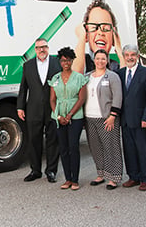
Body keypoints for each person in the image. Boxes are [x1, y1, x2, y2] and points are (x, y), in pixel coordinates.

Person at [17, 38, 61, 183]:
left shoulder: (57, 63)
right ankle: (35, 171)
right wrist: (20, 107)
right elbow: (24, 88)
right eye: (38, 48)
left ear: (48, 48)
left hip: (52, 109)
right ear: (34, 50)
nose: (42, 50)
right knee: (34, 140)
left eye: (44, 47)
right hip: (33, 109)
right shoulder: (28, 65)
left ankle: (51, 171)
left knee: (52, 141)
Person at [49, 47, 88, 190]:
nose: (66, 62)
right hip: (59, 118)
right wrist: (58, 116)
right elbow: (52, 100)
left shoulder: (79, 78)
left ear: (72, 61)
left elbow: (81, 98)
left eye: (68, 60)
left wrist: (70, 114)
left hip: (75, 117)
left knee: (73, 146)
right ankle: (68, 179)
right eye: (63, 60)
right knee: (63, 148)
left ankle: (75, 180)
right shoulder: (55, 78)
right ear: (60, 61)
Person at [117, 44, 146, 191]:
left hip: (141, 119)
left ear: (137, 56)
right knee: (129, 149)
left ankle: (145, 178)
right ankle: (133, 176)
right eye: (127, 55)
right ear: (124, 57)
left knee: (143, 149)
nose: (130, 57)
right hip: (125, 120)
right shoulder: (120, 73)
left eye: (133, 55)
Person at [84, 49, 123, 190]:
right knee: (96, 148)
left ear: (107, 61)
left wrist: (113, 116)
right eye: (97, 58)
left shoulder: (112, 77)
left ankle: (114, 177)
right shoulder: (87, 76)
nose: (100, 61)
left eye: (103, 59)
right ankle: (100, 174)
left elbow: (118, 97)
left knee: (111, 147)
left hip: (106, 118)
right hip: (90, 118)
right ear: (94, 60)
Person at [72, 0, 124, 74]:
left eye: (106, 28)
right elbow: (75, 79)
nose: (100, 32)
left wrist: (119, 51)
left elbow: (127, 82)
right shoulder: (83, 61)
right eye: (94, 27)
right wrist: (81, 39)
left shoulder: (116, 66)